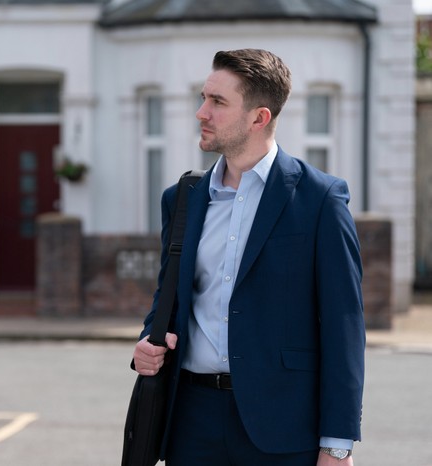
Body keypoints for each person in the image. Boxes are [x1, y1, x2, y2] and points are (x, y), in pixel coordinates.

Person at [133, 48, 365, 466]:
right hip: (191, 422)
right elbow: (169, 298)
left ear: (259, 117)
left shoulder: (320, 200)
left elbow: (343, 325)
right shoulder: (181, 200)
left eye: (218, 102)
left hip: (284, 427)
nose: (201, 112)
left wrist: (337, 443)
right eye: (204, 98)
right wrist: (149, 339)